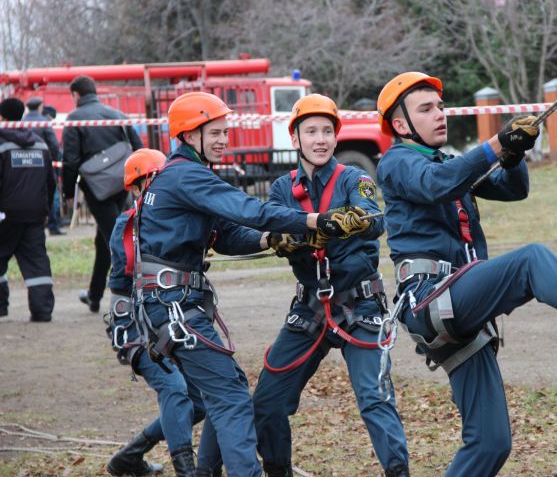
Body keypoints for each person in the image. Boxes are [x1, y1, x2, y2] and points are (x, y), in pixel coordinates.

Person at [374, 72, 557, 477]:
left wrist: (512, 157)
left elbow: (514, 189)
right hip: (430, 300)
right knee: (530, 262)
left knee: (491, 444)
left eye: (440, 106)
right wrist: (496, 144)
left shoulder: (447, 163)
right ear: (402, 125)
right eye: (426, 109)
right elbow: (437, 185)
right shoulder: (398, 162)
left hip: (460, 309)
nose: (439, 114)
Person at [132, 91, 346, 475]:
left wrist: (270, 239)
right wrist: (312, 221)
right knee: (231, 397)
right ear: (187, 135)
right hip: (175, 304)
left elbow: (226, 234)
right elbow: (250, 209)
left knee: (225, 387)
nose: (223, 140)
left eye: (224, 132)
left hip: (173, 302)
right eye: (213, 132)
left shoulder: (187, 175)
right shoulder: (186, 174)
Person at [253, 94, 410, 477]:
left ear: (336, 138)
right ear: (296, 139)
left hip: (360, 307)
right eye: (311, 132)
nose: (320, 139)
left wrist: (337, 221)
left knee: (374, 399)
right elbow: (275, 225)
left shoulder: (355, 179)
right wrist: (290, 236)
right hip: (309, 309)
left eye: (327, 131)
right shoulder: (281, 189)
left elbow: (374, 219)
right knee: (268, 402)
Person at [105, 148, 222, 476]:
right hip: (135, 326)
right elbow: (127, 274)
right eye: (151, 182)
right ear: (136, 188)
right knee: (175, 389)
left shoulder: (176, 220)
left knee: (197, 401)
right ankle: (186, 470)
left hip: (170, 317)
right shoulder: (128, 224)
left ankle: (130, 456)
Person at [61, 75, 143, 313]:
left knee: (116, 241)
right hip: (123, 184)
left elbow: (71, 160)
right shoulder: (117, 114)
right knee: (105, 240)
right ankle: (95, 295)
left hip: (97, 189)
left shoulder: (75, 118)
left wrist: (68, 192)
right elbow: (138, 147)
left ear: (76, 95)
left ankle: (133, 293)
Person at [0, 98, 55, 322]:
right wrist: (46, 212)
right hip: (35, 215)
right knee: (37, 263)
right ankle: (42, 311)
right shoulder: (40, 144)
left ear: (2, 118)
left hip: (5, 215)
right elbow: (50, 183)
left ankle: (1, 307)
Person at [23, 97, 64, 235]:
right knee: (51, 192)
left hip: (23, 163)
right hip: (44, 163)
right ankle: (53, 225)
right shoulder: (44, 122)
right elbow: (53, 144)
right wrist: (53, 160)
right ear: (40, 106)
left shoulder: (21, 122)